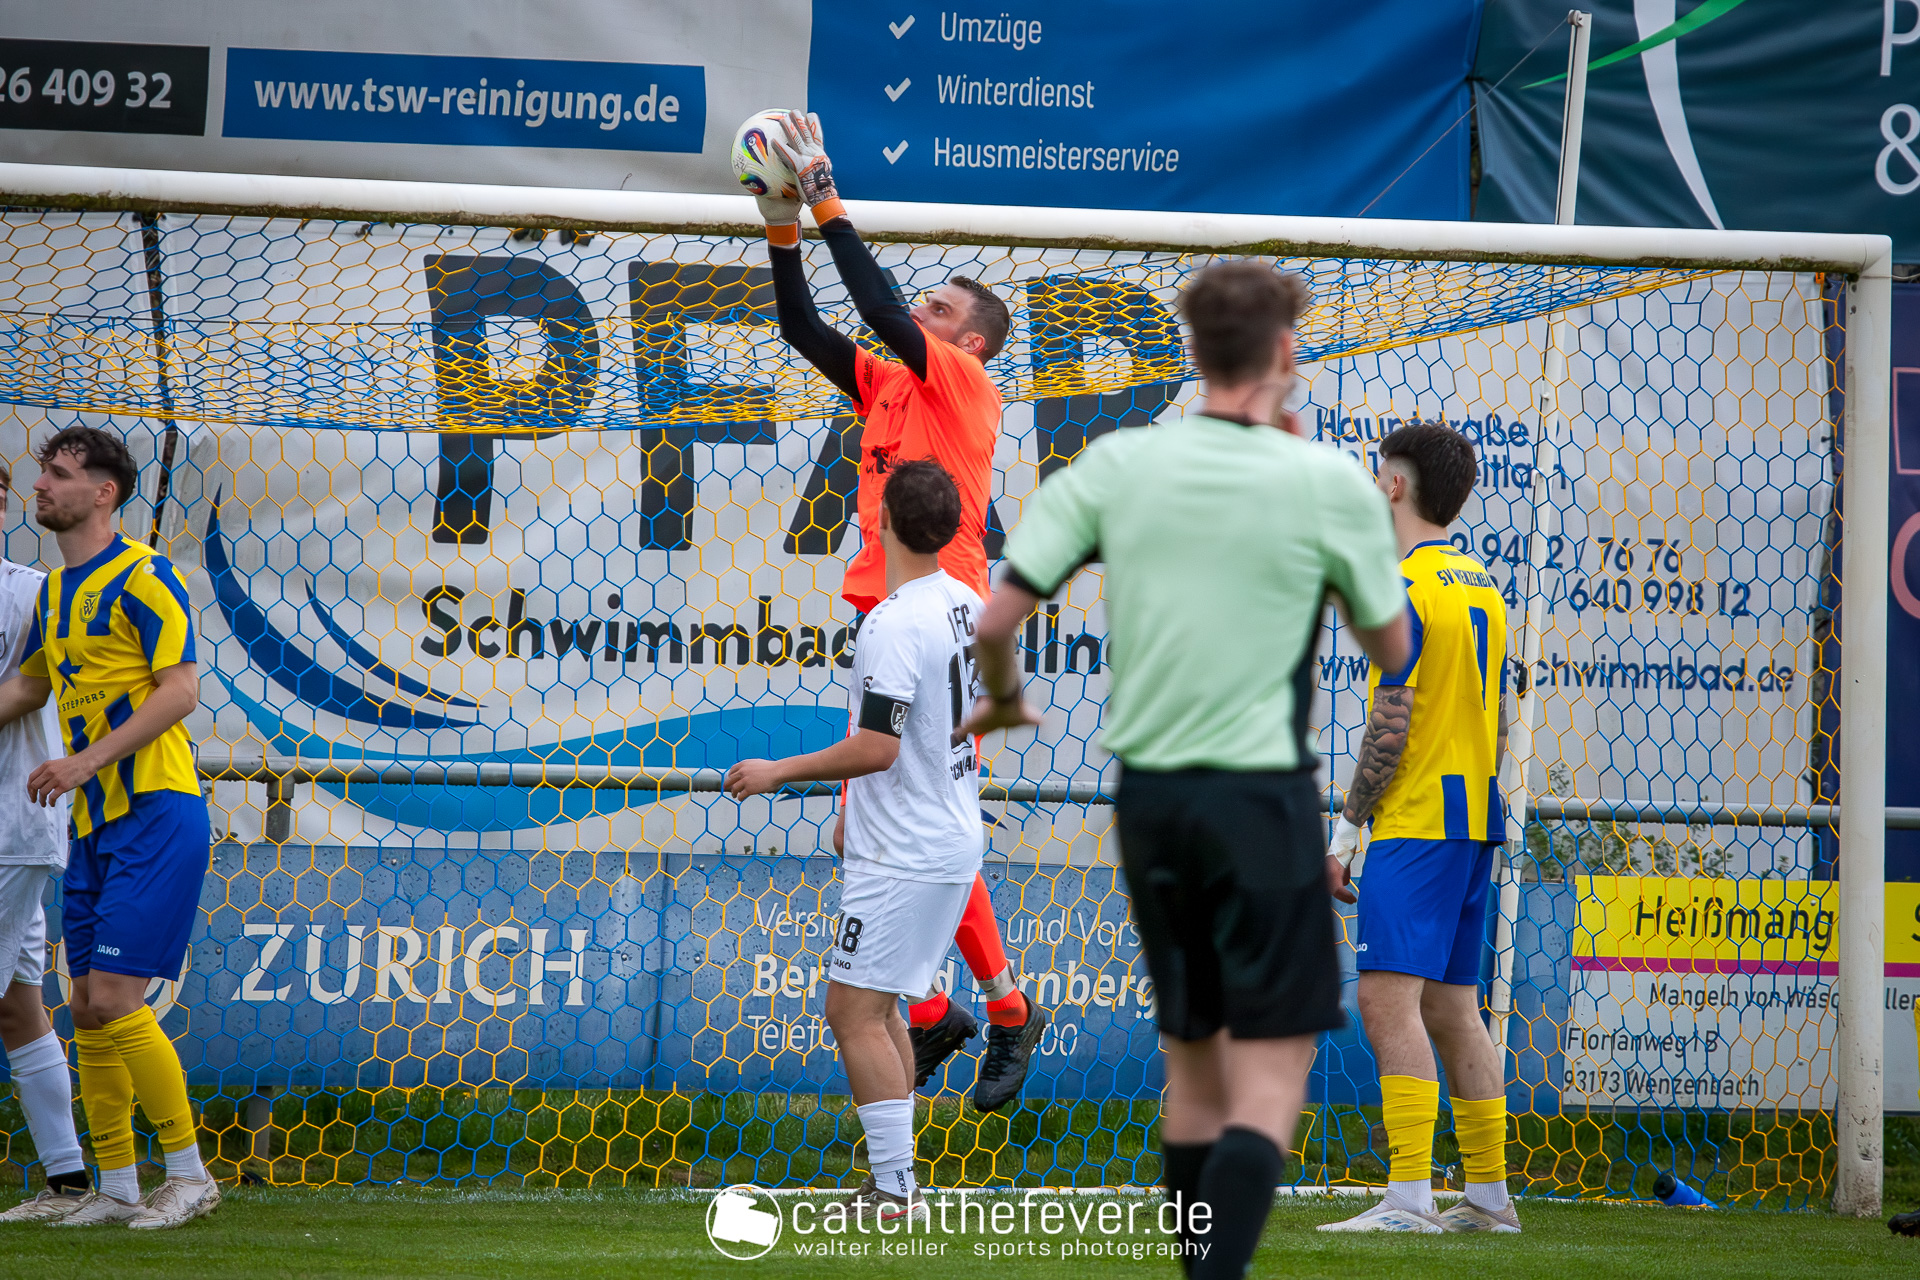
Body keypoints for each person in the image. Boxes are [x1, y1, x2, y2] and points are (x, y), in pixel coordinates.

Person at [962, 262, 1411, 1279]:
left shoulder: (1120, 464)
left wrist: (1002, 698)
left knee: (1198, 1070)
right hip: (1260, 796)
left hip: (1153, 800)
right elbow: (1392, 648)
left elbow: (995, 618)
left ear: (1195, 352)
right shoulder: (1323, 482)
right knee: (1270, 1072)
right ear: (1285, 352)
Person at [755, 110, 1047, 1113]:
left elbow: (878, 305)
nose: (921, 309)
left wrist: (824, 195)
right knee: (871, 827)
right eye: (925, 303)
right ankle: (940, 1011)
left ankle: (1000, 1008)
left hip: (943, 611)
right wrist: (779, 222)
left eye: (939, 305)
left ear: (971, 339)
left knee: (914, 815)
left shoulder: (959, 378)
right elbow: (805, 329)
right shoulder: (890, 381)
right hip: (894, 608)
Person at [726, 460, 985, 1223]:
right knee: (881, 1010)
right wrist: (861, 808)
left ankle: (894, 1191)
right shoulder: (966, 603)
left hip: (906, 852)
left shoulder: (895, 621)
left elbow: (878, 746)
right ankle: (897, 1184)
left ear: (881, 521)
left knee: (852, 1013)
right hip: (943, 836)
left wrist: (779, 771)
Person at [0, 427, 218, 1230]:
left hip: (156, 808)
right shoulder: (55, 594)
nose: (40, 486)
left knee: (120, 997)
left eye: (58, 474)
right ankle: (118, 1186)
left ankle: (190, 1175)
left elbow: (181, 690)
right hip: (91, 822)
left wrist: (85, 760)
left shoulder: (146, 575)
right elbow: (26, 689)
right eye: (42, 473)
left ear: (104, 493)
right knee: (87, 1003)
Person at [1318, 423, 1517, 1234]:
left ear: (1396, 485)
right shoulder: (1481, 585)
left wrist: (1345, 834)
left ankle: (1408, 1198)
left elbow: (1390, 726)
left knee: (1384, 998)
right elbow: (1493, 718)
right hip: (1473, 820)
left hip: (1420, 821)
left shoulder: (1402, 587)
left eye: (1377, 475)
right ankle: (1490, 1201)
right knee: (1453, 1009)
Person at [0, 457, 89, 1225]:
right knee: (18, 1007)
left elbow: (35, 689)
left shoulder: (35, 593)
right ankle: (68, 1181)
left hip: (12, 825)